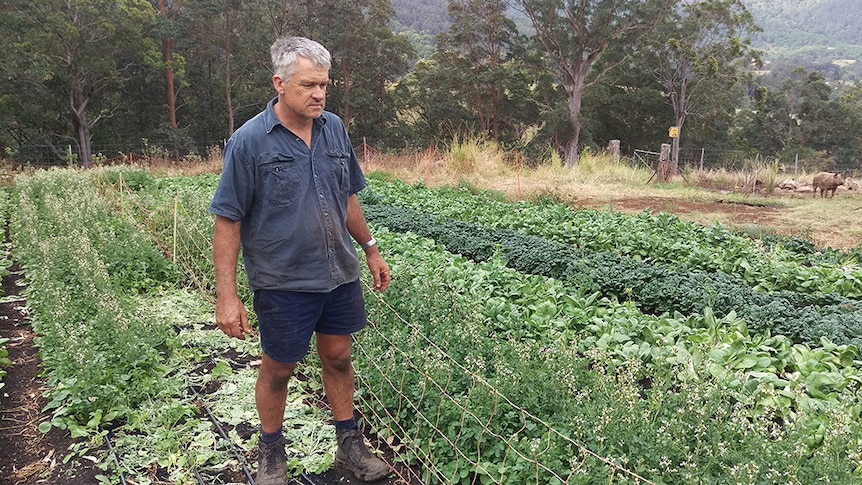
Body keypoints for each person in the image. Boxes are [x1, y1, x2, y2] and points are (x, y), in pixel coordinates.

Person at [209, 36, 392, 485]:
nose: (318, 94)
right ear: (280, 83)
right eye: (309, 85)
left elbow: (346, 195)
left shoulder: (333, 128)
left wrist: (369, 248)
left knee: (339, 357)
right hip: (283, 280)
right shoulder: (249, 142)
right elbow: (227, 219)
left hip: (338, 274)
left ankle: (349, 448)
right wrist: (226, 296)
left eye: (323, 85)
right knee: (279, 368)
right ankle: (271, 454)